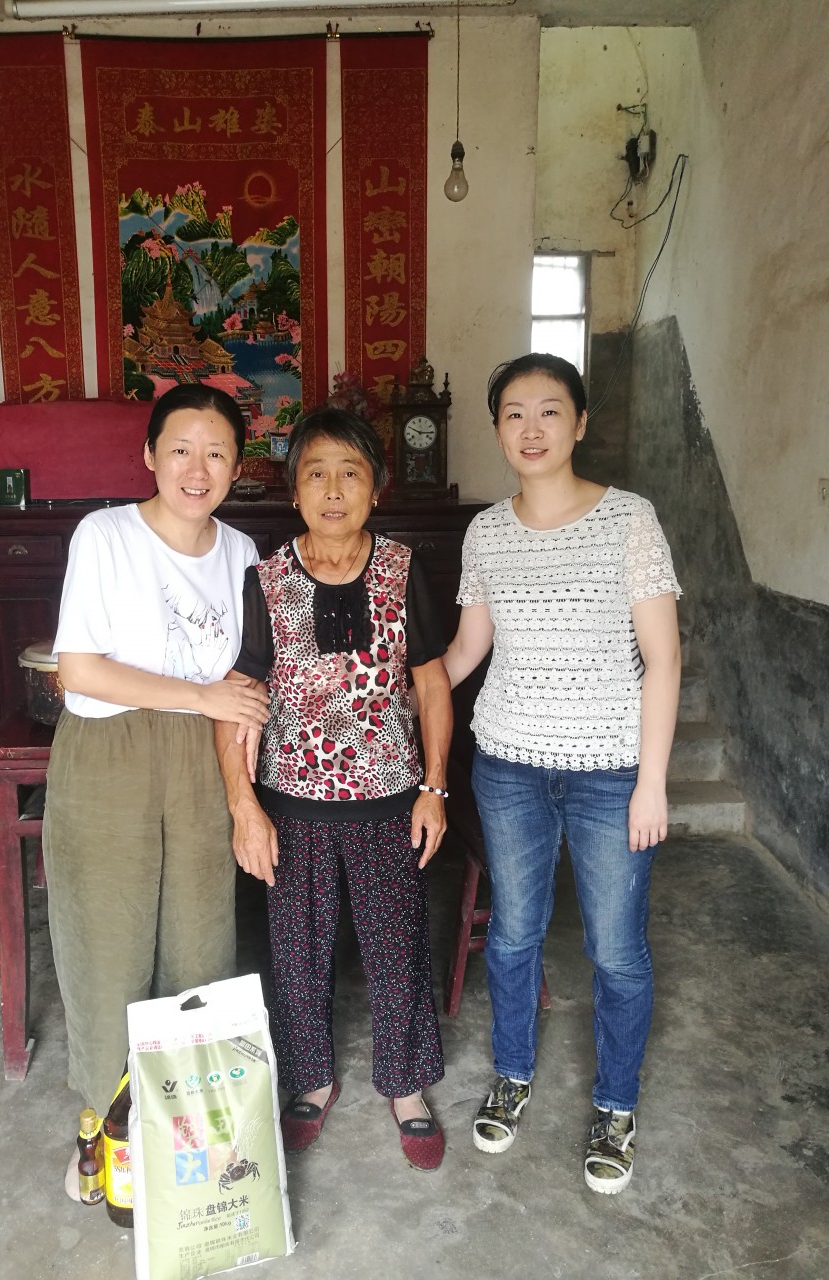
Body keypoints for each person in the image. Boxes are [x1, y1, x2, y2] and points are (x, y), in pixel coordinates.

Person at [444, 353, 681, 1194]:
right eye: (514, 413)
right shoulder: (486, 532)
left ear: (579, 423)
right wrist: (388, 693)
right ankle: (513, 1073)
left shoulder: (629, 520)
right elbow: (467, 650)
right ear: (497, 430)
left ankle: (616, 1104)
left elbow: (663, 659)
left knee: (616, 948)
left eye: (550, 411)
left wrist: (652, 782)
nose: (532, 428)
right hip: (508, 765)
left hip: (611, 772)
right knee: (515, 933)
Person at [42, 383, 269, 1195]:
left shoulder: (242, 551)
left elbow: (245, 680)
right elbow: (80, 669)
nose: (196, 469)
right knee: (108, 944)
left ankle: (185, 1137)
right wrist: (204, 696)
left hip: (202, 760)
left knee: (200, 946)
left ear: (237, 467)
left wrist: (243, 775)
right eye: (180, 449)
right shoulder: (105, 534)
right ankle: (101, 1127)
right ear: (149, 455)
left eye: (216, 453)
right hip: (111, 756)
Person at [215, 406, 453, 1171]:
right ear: (294, 491)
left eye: (351, 473)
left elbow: (432, 684)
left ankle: (406, 1085)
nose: (333, 489)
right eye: (316, 473)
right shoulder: (266, 579)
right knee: (297, 953)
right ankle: (311, 1079)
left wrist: (434, 788)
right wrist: (244, 805)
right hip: (294, 803)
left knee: (397, 948)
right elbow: (241, 697)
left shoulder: (402, 569)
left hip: (389, 799)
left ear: (376, 489)